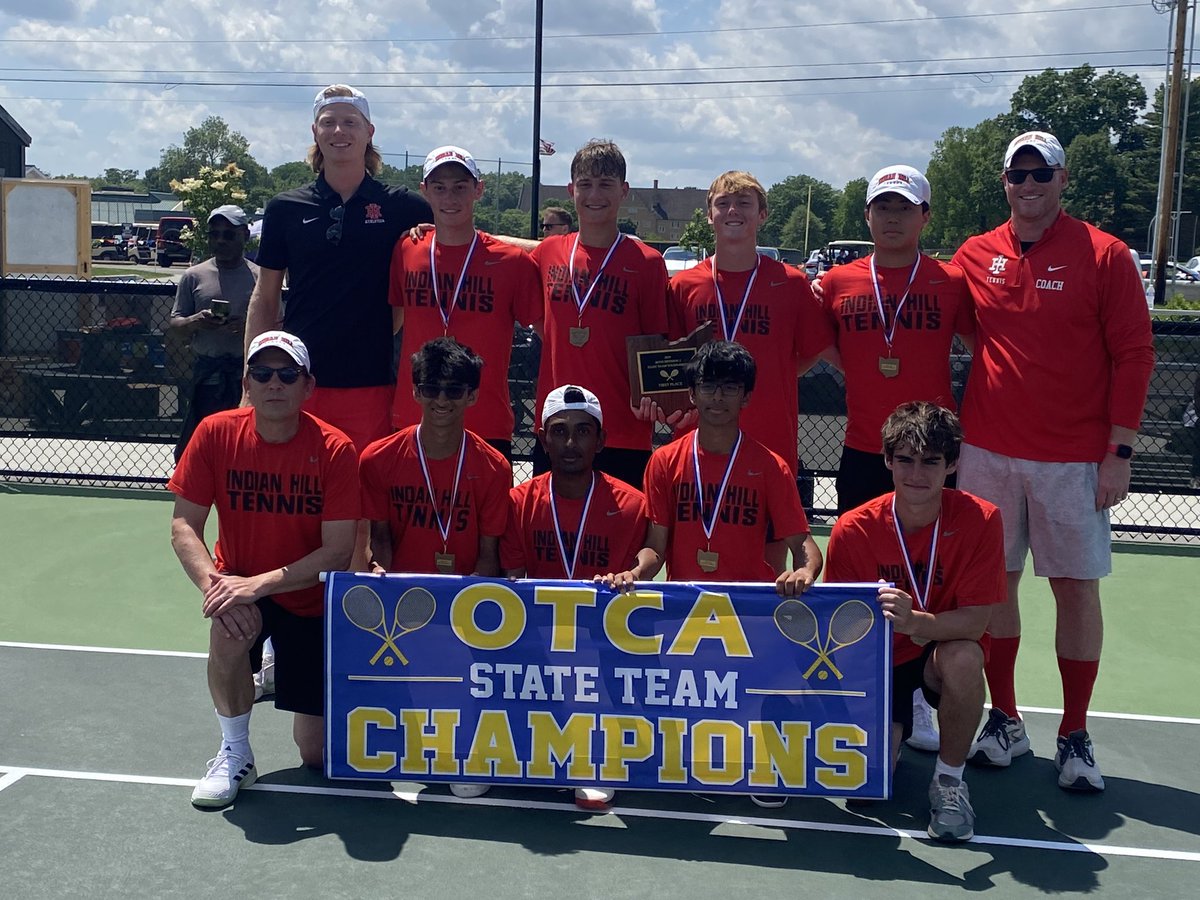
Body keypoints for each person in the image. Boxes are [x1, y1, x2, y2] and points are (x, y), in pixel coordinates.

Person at [952, 131, 1155, 791]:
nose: (1030, 185)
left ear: (1064, 180)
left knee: (1074, 588)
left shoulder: (1107, 254)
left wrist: (1118, 452)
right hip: (986, 451)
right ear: (1005, 183)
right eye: (1019, 175)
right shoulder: (974, 254)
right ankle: (1005, 718)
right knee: (994, 587)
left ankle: (1074, 732)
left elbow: (1134, 356)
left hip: (1074, 460)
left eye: (1043, 174)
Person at [818, 165, 974, 754]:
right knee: (864, 582)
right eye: (881, 207)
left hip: (928, 458)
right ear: (866, 215)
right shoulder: (835, 282)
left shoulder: (951, 281)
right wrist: (861, 367)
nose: (891, 217)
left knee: (928, 573)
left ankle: (917, 694)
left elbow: (983, 347)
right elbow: (819, 345)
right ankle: (864, 691)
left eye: (904, 208)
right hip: (864, 451)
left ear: (924, 216)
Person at [168, 331, 360, 808]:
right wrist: (217, 588)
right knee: (228, 629)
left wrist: (259, 583)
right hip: (241, 583)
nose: (275, 383)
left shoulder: (335, 450)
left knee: (315, 754)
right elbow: (183, 526)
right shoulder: (215, 432)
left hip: (307, 596)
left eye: (287, 374)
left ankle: (274, 657)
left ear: (307, 386)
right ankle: (235, 753)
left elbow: (338, 551)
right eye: (262, 373)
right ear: (247, 383)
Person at [824, 401, 1006, 842]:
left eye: (931, 462)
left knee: (965, 658)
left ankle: (948, 781)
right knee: (868, 789)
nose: (916, 474)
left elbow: (976, 620)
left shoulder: (982, 519)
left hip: (938, 652)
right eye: (904, 459)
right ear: (887, 461)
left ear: (953, 464)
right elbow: (842, 626)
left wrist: (915, 621)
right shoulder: (852, 527)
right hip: (879, 661)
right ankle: (895, 729)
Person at [245, 83, 433, 453]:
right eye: (328, 122)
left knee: (362, 504)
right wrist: (250, 382)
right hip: (298, 381)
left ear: (369, 132)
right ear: (315, 132)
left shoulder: (404, 207)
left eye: (350, 122)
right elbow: (265, 299)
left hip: (372, 384)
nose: (339, 131)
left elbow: (410, 295)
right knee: (298, 499)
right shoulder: (285, 208)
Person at [501, 383, 648, 811]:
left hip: (603, 646)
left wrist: (633, 573)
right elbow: (512, 582)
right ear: (542, 437)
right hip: (540, 642)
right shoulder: (518, 501)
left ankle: (596, 757)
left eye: (583, 431)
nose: (570, 442)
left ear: (601, 440)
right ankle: (496, 752)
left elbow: (649, 565)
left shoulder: (632, 505)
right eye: (559, 430)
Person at [668, 170, 834, 478]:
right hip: (698, 439)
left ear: (762, 215)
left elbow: (813, 349)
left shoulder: (791, 283)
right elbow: (671, 358)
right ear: (709, 216)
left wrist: (774, 373)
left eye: (744, 203)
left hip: (769, 441)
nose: (733, 211)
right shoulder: (683, 285)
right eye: (723, 203)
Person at [530, 139, 670, 489]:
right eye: (585, 184)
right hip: (555, 424)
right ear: (570, 190)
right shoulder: (548, 252)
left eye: (606, 184)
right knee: (548, 534)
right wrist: (434, 230)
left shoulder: (647, 263)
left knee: (619, 537)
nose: (595, 194)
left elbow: (655, 345)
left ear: (624, 191)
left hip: (622, 428)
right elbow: (501, 251)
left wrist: (654, 400)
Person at [388, 146, 542, 458]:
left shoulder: (511, 262)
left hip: (485, 422)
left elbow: (547, 335)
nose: (450, 198)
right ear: (425, 192)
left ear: (479, 190)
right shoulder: (407, 250)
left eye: (460, 187)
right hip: (413, 417)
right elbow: (391, 325)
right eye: (440, 188)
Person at [169, 204, 259, 462]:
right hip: (206, 376)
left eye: (228, 234)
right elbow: (176, 326)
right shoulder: (193, 276)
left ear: (244, 234)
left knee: (240, 452)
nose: (220, 240)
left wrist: (248, 327)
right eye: (214, 234)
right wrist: (196, 321)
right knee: (194, 453)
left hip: (245, 379)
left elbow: (277, 326)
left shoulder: (260, 277)